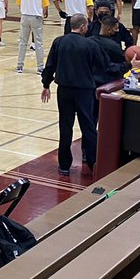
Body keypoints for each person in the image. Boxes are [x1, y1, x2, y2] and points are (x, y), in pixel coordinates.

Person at [40, 16, 105, 176]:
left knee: (65, 126)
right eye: (87, 25)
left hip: (64, 91)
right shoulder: (90, 44)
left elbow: (49, 65)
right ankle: (93, 163)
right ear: (82, 26)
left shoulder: (59, 41)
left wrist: (46, 84)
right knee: (88, 127)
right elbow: (103, 67)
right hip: (84, 91)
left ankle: (64, 166)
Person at [15, 0, 50, 75]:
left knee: (23, 42)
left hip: (25, 16)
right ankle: (40, 67)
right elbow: (45, 6)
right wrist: (45, 13)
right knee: (38, 43)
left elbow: (19, 4)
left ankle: (19, 66)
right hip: (36, 17)